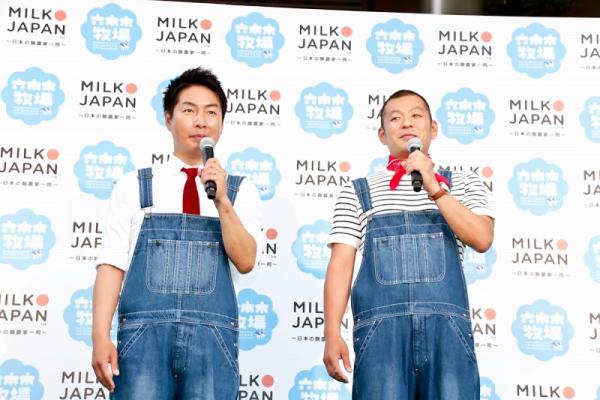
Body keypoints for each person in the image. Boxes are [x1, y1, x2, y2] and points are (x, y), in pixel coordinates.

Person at [91, 67, 261, 399]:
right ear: (168, 119)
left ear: (222, 122)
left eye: (211, 112)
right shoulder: (135, 185)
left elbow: (246, 261)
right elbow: (112, 265)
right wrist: (99, 336)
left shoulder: (240, 191)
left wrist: (222, 202)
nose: (201, 122)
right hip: (143, 340)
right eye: (189, 110)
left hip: (212, 343)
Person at [322, 89, 494, 399]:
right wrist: (331, 332)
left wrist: (435, 189)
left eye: (416, 115)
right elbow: (341, 264)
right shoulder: (358, 191)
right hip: (381, 339)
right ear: (382, 134)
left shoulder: (463, 182)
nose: (406, 123)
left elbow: (482, 238)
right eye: (395, 118)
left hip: (447, 338)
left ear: (433, 128)